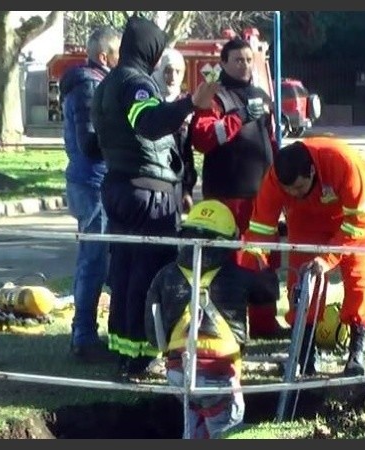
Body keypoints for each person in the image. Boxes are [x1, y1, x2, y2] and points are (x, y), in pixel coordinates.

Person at [90, 15, 215, 380]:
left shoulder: (107, 84)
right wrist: (191, 102)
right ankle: (144, 355)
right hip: (148, 193)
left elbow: (92, 142)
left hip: (118, 187)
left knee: (125, 272)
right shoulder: (135, 82)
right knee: (148, 273)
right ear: (150, 49)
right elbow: (148, 122)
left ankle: (125, 351)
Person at [244, 137, 365, 377]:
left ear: (311, 171)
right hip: (306, 217)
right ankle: (303, 352)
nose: (293, 193)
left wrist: (328, 258)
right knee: (301, 279)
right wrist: (256, 262)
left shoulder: (343, 163)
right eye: (288, 190)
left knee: (359, 272)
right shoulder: (275, 180)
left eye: (298, 187)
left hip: (355, 215)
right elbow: (261, 227)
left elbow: (359, 223)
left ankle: (358, 352)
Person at [144, 199, 279, 439]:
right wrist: (260, 260)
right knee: (226, 431)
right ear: (229, 242)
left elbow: (153, 333)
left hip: (178, 372)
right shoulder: (238, 276)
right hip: (220, 373)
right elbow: (269, 293)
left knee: (193, 424)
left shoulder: (164, 275)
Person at [188, 37, 288, 340]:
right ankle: (230, 326)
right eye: (238, 60)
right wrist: (239, 118)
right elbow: (203, 138)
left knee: (264, 260)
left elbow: (269, 141)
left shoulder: (261, 96)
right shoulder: (215, 97)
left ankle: (264, 323)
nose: (244, 65)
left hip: (262, 194)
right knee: (230, 263)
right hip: (227, 194)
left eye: (248, 60)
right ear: (224, 64)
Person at [60, 26, 121, 363]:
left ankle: (99, 329)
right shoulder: (90, 85)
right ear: (103, 56)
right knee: (94, 259)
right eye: (117, 55)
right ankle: (83, 334)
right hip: (92, 182)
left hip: (92, 180)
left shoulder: (88, 83)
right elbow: (89, 141)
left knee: (104, 258)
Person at [151, 48, 196, 213]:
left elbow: (187, 152)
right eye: (168, 71)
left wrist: (187, 190)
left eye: (178, 71)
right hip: (151, 181)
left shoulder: (185, 103)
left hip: (176, 182)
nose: (173, 77)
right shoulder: (149, 99)